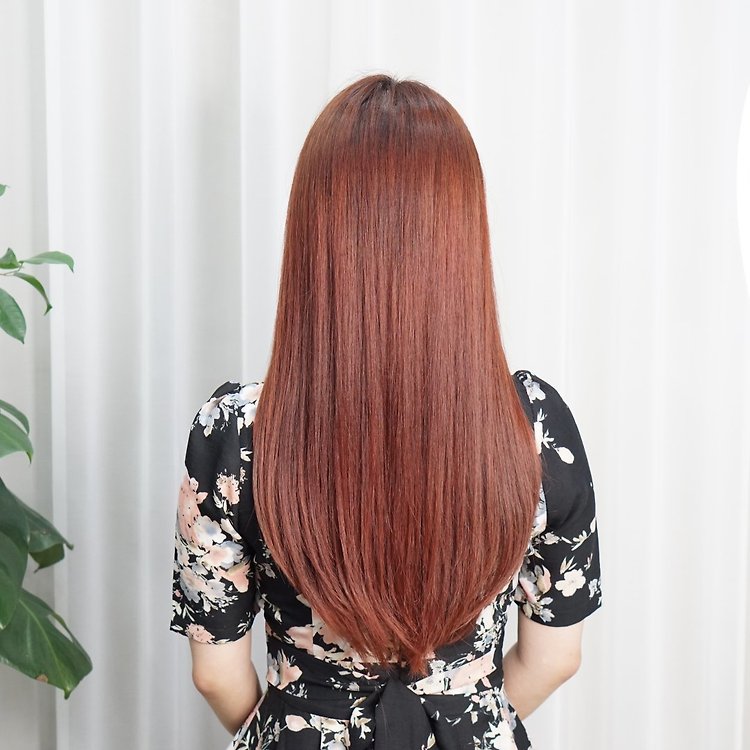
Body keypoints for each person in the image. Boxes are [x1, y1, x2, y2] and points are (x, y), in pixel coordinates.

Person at [170, 73, 602, 750]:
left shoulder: (236, 433)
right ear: (462, 236)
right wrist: (459, 723)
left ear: (314, 235)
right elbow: (555, 657)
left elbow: (217, 674)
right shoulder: (534, 426)